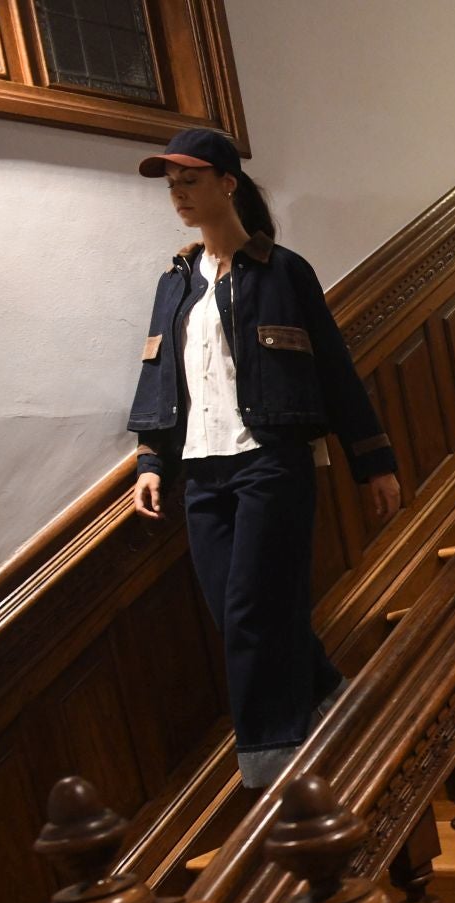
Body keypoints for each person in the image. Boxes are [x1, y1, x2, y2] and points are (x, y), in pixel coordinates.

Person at [128, 129, 403, 788]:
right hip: (202, 469)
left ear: (228, 183)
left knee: (252, 612)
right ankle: (330, 691)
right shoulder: (175, 283)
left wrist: (374, 460)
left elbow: (334, 371)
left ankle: (268, 765)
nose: (180, 196)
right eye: (172, 185)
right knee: (235, 612)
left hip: (269, 461)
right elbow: (160, 373)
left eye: (190, 181)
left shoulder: (284, 272)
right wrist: (150, 461)